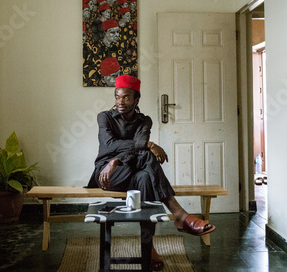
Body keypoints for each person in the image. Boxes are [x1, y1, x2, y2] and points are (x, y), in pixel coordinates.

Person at [86, 75, 215, 271]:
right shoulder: (104, 117)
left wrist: (118, 158)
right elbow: (109, 145)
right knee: (148, 157)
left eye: (126, 97)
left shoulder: (144, 121)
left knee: (146, 176)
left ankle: (149, 246)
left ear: (136, 99)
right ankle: (180, 215)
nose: (120, 102)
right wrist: (148, 145)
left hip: (131, 169)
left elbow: (129, 151)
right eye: (117, 97)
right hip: (107, 174)